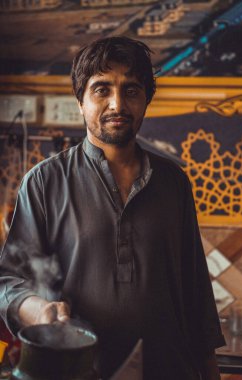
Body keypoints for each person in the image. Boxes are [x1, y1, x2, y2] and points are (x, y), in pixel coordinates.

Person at [0, 36, 225, 379]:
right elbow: (7, 283)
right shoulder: (44, 181)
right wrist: (39, 309)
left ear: (146, 100)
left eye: (131, 90)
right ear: (80, 100)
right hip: (78, 371)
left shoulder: (173, 183)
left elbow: (197, 298)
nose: (117, 104)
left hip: (168, 370)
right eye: (102, 89)